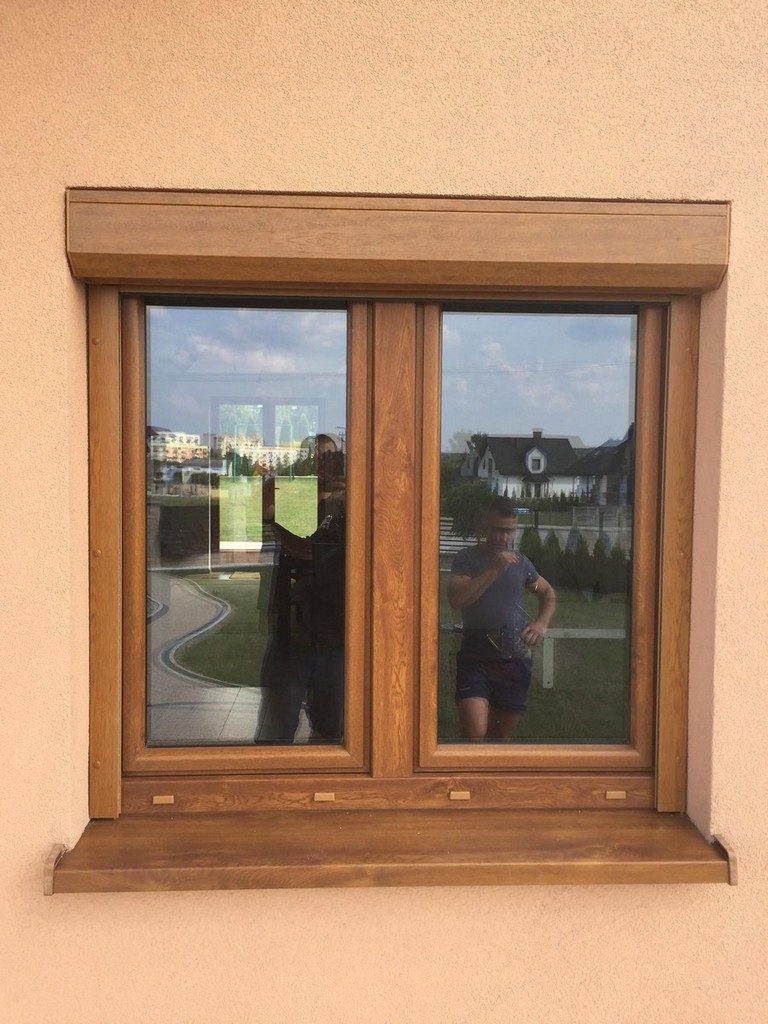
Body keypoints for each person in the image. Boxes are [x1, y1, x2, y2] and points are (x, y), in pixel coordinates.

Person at [447, 496, 556, 740]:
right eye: (497, 529)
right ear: (485, 525)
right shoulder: (467, 559)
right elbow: (456, 599)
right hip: (475, 656)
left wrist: (542, 623)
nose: (502, 538)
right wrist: (494, 568)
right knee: (474, 736)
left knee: (499, 741)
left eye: (509, 531)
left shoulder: (521, 563)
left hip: (513, 659)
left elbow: (548, 594)